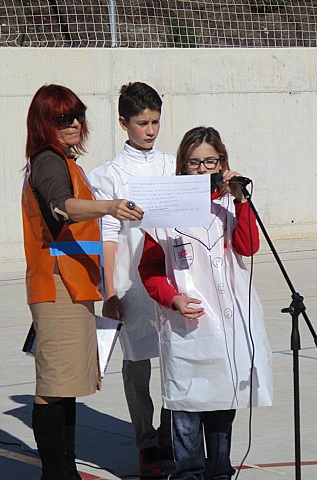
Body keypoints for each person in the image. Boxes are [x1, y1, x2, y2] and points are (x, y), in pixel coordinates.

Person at [22, 84, 143, 480]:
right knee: (54, 385)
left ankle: (64, 471)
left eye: (78, 114)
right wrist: (109, 205)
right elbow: (63, 205)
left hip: (69, 285)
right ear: (45, 124)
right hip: (57, 285)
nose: (74, 123)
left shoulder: (63, 161)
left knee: (65, 382)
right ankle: (57, 474)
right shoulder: (47, 161)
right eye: (63, 118)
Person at [138, 126, 273, 480]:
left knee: (220, 412)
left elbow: (248, 247)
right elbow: (150, 269)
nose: (202, 170)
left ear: (222, 164)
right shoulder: (163, 213)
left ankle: (220, 473)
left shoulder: (228, 208)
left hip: (225, 330)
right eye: (194, 163)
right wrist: (174, 298)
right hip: (186, 329)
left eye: (210, 162)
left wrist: (241, 198)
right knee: (186, 413)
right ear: (182, 167)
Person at [87, 81, 175, 477]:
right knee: (137, 362)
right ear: (124, 123)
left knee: (178, 357)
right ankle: (146, 442)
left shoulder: (173, 164)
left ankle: (174, 434)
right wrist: (108, 290)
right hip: (129, 281)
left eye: (156, 121)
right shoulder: (107, 175)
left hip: (173, 277)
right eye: (142, 122)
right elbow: (105, 235)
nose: (151, 130)